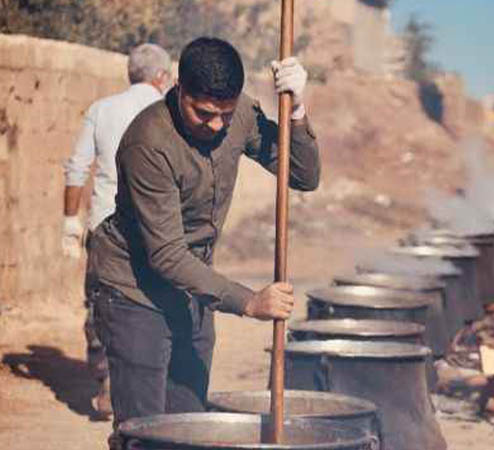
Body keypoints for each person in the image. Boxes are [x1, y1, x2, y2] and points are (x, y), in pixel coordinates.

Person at [86, 37, 319, 447]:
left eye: (224, 115)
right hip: (132, 291)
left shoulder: (240, 113)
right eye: (204, 113)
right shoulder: (148, 142)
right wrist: (248, 301)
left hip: (191, 291)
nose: (215, 125)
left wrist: (297, 109)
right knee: (145, 432)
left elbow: (302, 175)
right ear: (179, 88)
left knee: (190, 423)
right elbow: (167, 253)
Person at [62, 43, 172, 418]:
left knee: (102, 304)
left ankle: (108, 383)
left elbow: (77, 169)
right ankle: (142, 388)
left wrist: (69, 223)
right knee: (148, 305)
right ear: (160, 77)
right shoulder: (168, 112)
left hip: (105, 227)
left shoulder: (101, 109)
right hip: (154, 229)